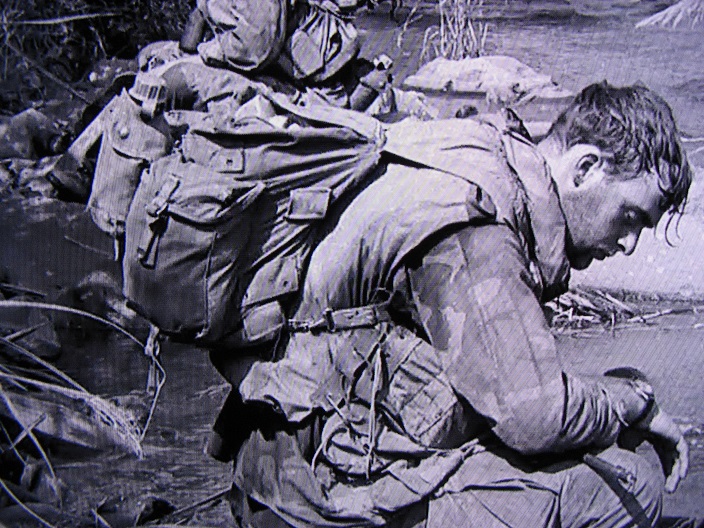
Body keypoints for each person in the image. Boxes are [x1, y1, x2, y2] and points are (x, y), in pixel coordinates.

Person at [213, 80, 693, 528]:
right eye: (631, 216)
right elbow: (535, 418)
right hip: (312, 494)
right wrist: (635, 401)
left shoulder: (477, 159)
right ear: (585, 168)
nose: (629, 243)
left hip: (296, 461)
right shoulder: (479, 227)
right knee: (628, 488)